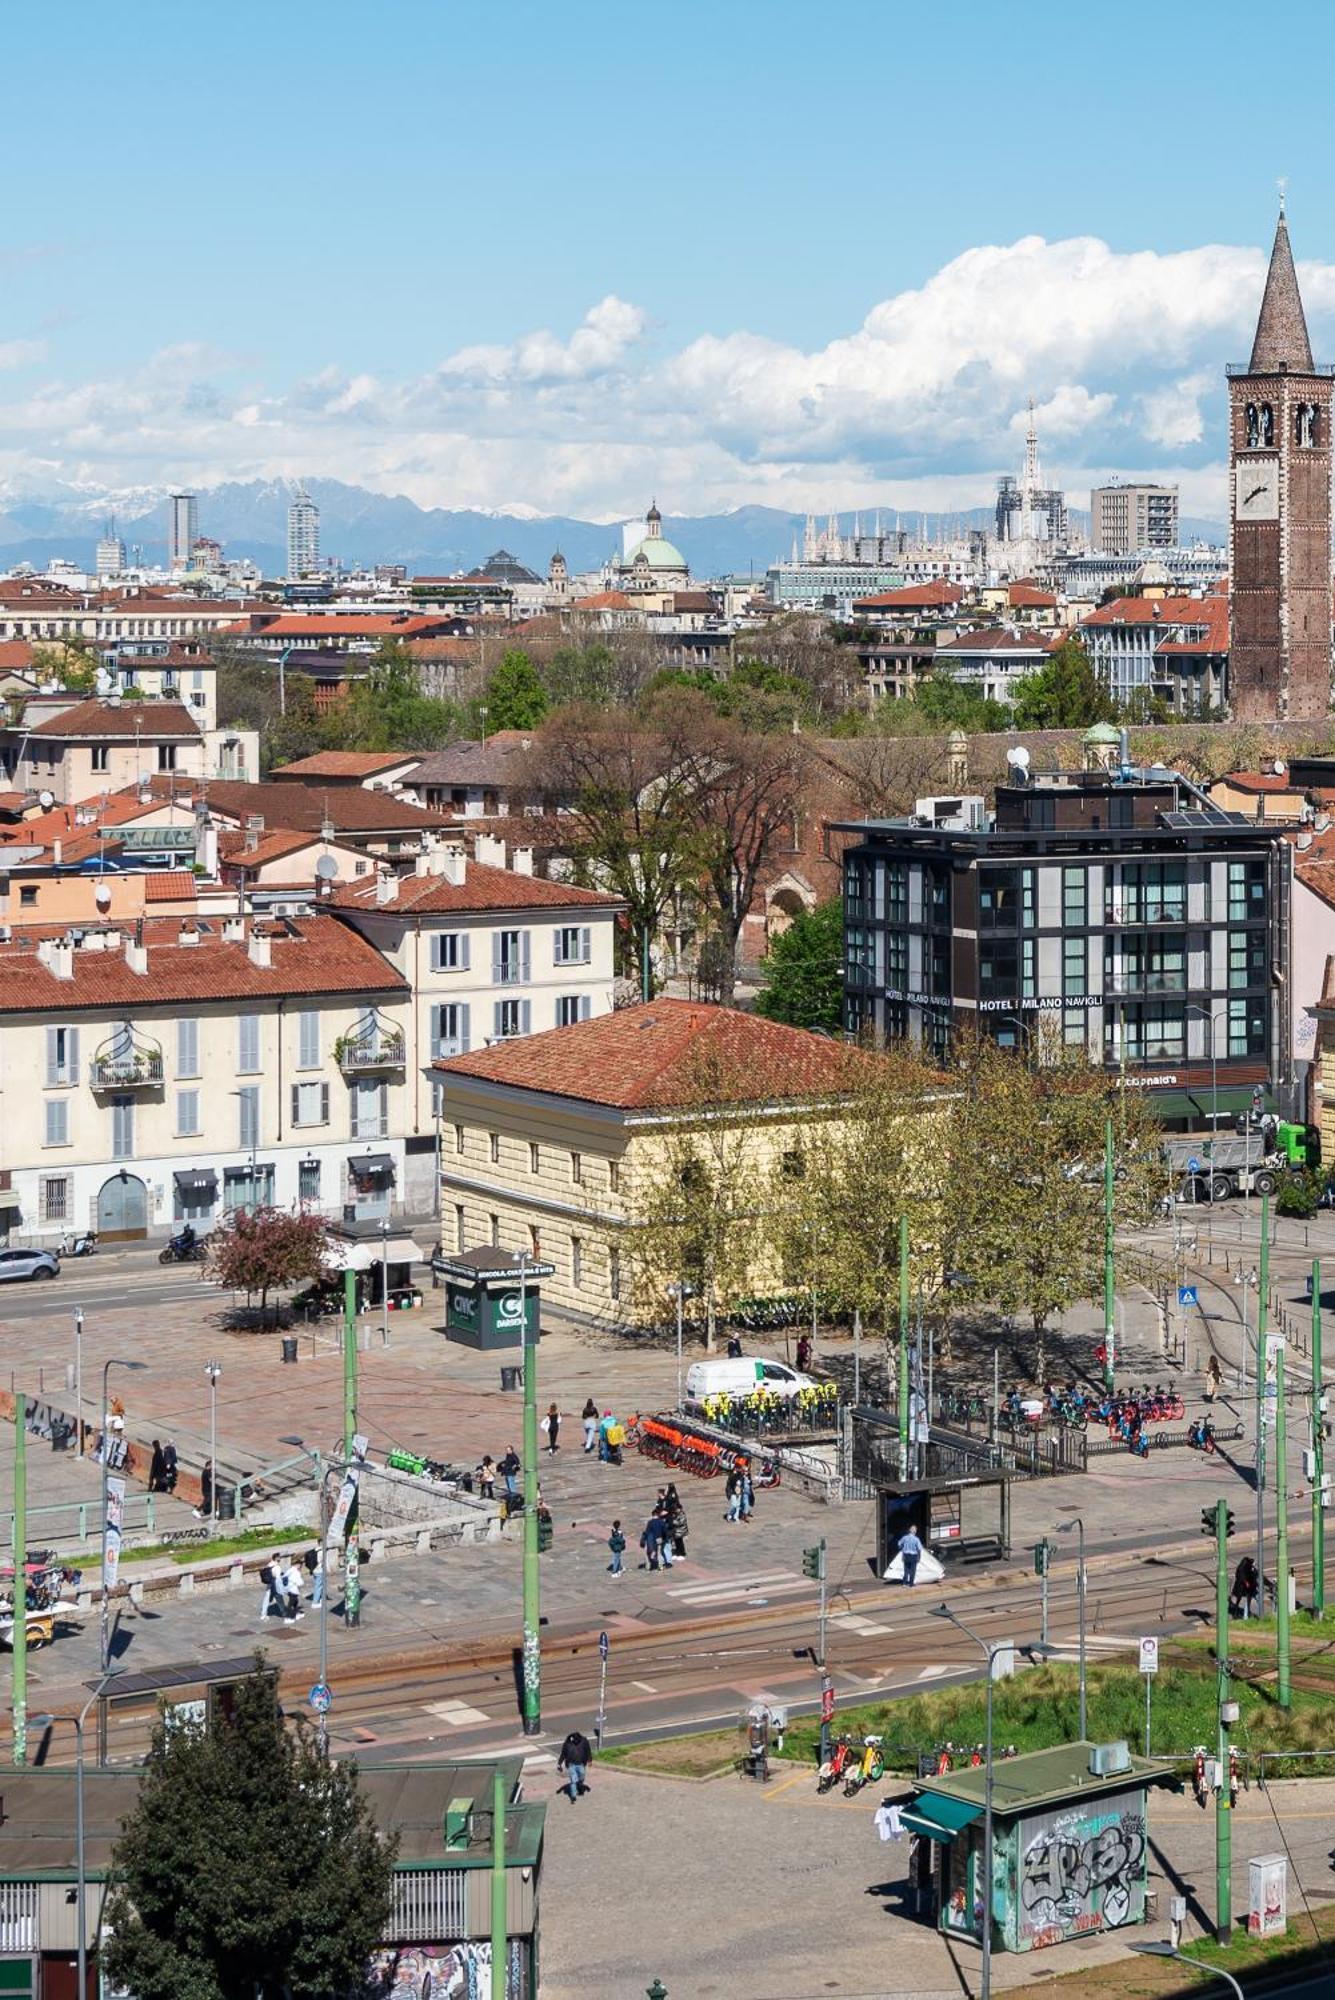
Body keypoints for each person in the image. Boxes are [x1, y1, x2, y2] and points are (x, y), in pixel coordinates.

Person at [557, 1728, 594, 1803]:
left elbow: (588, 1750)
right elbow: (563, 1754)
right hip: (571, 1765)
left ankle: (579, 1786)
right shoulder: (567, 1743)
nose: (576, 1742)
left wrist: (590, 1760)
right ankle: (573, 1796)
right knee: (573, 1780)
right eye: (575, 1741)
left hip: (581, 1764)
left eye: (578, 1741)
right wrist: (559, 1763)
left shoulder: (584, 1741)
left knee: (582, 1777)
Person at [1230, 1554, 1259, 1620]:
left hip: (1242, 1588)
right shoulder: (1247, 1568)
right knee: (1251, 1599)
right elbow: (1254, 1575)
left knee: (1240, 1600)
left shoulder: (1241, 1568)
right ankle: (1246, 1614)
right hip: (1247, 1588)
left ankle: (1239, 1614)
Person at [665, 1483, 688, 1560]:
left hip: (680, 1531)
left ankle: (681, 1553)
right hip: (676, 1530)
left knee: (679, 1542)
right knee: (673, 1541)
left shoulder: (681, 1514)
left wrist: (673, 1522)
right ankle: (675, 1553)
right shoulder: (674, 1513)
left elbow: (681, 1522)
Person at [259, 1552, 283, 1620]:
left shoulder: (269, 1564)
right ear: (276, 1558)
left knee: (266, 1599)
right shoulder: (277, 1567)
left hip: (269, 1584)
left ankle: (263, 1614)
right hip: (275, 1585)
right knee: (279, 1598)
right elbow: (278, 1578)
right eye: (279, 1557)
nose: (280, 1558)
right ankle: (283, 1612)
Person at [281, 1556, 305, 1621]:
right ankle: (288, 1617)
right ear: (298, 1564)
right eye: (300, 1565)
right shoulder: (296, 1572)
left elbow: (284, 1576)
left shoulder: (290, 1570)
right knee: (291, 1603)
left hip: (288, 1589)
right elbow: (299, 1582)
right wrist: (302, 1583)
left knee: (295, 1601)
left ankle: (296, 1613)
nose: (301, 1566)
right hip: (293, 1589)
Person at [304, 1543, 324, 1607]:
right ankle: (315, 1602)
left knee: (317, 1584)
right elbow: (321, 1561)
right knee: (318, 1586)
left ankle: (319, 1598)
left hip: (314, 1570)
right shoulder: (321, 1551)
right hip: (319, 1570)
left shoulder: (315, 1550)